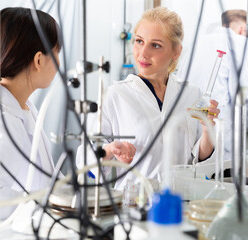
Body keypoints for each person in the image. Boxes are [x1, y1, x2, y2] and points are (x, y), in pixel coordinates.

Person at [77, 7, 220, 190]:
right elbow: (85, 160)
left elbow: (199, 159)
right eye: (139, 41)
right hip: (134, 204)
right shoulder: (114, 95)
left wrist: (208, 131)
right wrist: (112, 149)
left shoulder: (191, 94)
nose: (143, 53)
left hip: (180, 201)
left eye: (156, 45)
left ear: (176, 52)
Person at [0, 7, 61, 219]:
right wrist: (46, 206)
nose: (60, 63)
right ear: (39, 60)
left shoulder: (24, 107)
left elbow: (47, 178)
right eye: (57, 52)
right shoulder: (1, 117)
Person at [178, 9, 248, 161]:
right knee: (220, 178)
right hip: (220, 132)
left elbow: (180, 81)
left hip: (190, 129)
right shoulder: (240, 42)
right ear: (244, 29)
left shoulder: (196, 43)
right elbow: (244, 93)